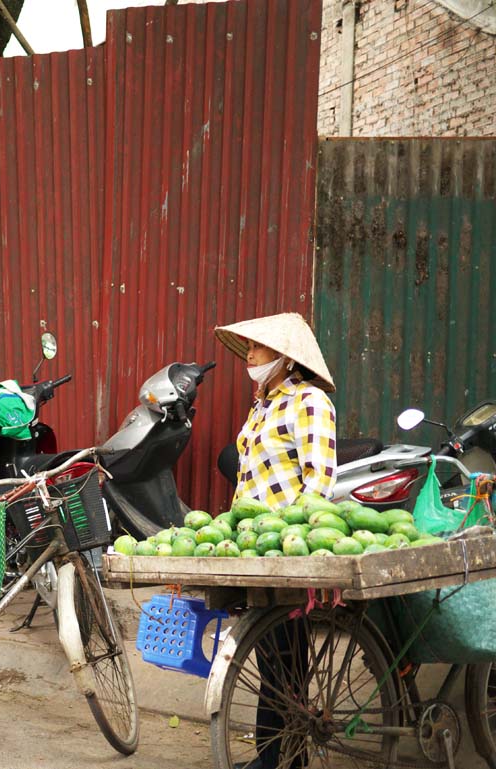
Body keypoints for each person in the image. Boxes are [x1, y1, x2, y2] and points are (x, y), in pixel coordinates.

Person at [215, 312, 337, 769]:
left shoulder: (310, 401)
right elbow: (250, 483)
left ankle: (280, 758)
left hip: (288, 547)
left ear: (285, 358)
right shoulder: (263, 404)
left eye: (259, 348)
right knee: (270, 658)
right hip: (256, 547)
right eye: (247, 347)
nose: (250, 354)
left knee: (285, 657)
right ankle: (280, 756)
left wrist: (293, 538)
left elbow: (319, 483)